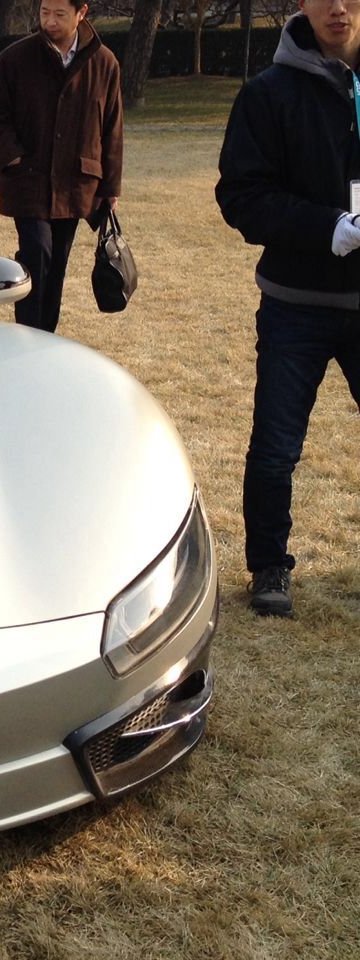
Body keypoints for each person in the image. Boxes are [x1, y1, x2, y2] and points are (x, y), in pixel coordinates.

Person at [215, 0, 360, 617]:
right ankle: (269, 564)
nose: (338, 7)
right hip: (295, 306)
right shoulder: (268, 94)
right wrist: (328, 228)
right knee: (276, 448)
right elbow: (242, 196)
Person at [0, 0, 124, 333]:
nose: (50, 21)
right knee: (37, 252)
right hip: (28, 180)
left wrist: (110, 187)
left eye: (59, 14)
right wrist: (11, 156)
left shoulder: (104, 63)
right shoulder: (14, 59)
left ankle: (46, 337)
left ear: (81, 13)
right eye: (45, 13)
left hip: (76, 184)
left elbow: (112, 129)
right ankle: (29, 335)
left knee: (57, 264)